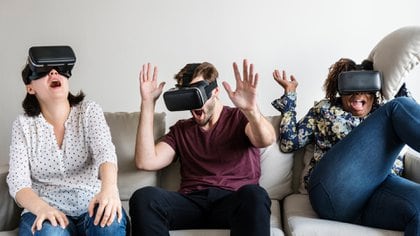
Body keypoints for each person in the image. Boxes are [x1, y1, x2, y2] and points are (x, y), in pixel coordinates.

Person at [272, 58, 420, 235]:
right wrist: (290, 94)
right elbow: (289, 143)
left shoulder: (382, 112)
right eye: (350, 87)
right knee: (398, 107)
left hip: (378, 192)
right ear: (339, 89)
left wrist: (396, 78)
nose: (358, 94)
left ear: (375, 89)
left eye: (365, 86)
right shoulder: (325, 109)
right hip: (334, 190)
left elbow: (412, 117)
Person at [129, 59, 276, 236]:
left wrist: (251, 111)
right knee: (144, 197)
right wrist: (147, 103)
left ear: (215, 91)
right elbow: (146, 161)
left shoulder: (239, 118)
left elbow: (266, 140)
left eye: (196, 93)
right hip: (191, 202)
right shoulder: (182, 130)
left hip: (233, 201)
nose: (193, 105)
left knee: (255, 195)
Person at [7, 46, 128, 236]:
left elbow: (105, 152)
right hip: (47, 207)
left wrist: (110, 189)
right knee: (49, 233)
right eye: (43, 71)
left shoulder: (89, 111)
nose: (53, 72)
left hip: (91, 202)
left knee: (108, 227)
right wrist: (41, 208)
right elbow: (18, 182)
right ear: (30, 87)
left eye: (59, 69)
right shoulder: (23, 126)